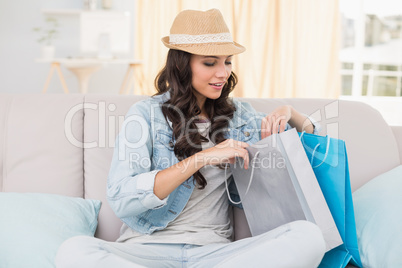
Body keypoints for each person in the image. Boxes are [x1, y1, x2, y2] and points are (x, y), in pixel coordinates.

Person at [56, 9, 325, 268]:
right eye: (210, 62)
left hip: (214, 254)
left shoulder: (240, 116)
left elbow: (311, 149)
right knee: (73, 251)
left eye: (227, 61)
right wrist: (201, 158)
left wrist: (291, 114)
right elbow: (122, 197)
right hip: (145, 251)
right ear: (182, 64)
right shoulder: (146, 115)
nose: (223, 73)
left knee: (309, 236)